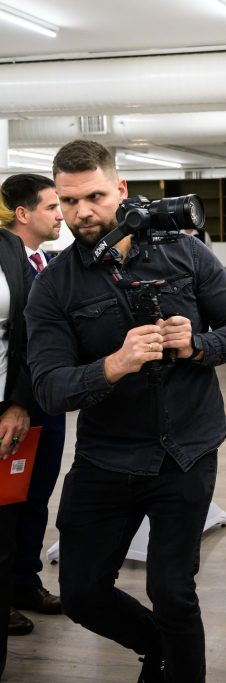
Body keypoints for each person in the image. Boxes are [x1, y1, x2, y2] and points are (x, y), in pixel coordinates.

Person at [26, 139, 226, 682]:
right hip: (106, 457)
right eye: (68, 201)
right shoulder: (54, 286)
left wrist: (195, 345)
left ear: (121, 189)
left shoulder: (186, 254)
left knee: (172, 591)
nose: (82, 212)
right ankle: (161, 650)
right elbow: (50, 389)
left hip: (186, 450)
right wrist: (114, 365)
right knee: (81, 593)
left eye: (95, 197)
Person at [0, 174, 66, 630]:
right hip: (17, 399)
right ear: (23, 214)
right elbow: (22, 341)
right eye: (52, 206)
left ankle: (25, 580)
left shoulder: (48, 261)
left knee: (37, 494)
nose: (61, 215)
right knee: (6, 501)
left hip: (49, 399)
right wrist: (18, 401)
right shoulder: (7, 264)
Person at [0, 198, 35, 678]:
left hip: (3, 410)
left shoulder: (9, 247)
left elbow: (31, 330)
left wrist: (19, 402)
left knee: (1, 532)